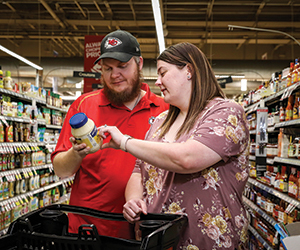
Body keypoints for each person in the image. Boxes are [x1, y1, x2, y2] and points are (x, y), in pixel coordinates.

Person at [99, 42, 250, 249]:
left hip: (208, 241)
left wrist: (125, 141)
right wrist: (133, 200)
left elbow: (188, 158)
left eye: (163, 73)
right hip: (157, 239)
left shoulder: (224, 112)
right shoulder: (161, 122)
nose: (158, 81)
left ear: (188, 70)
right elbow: (138, 171)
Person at [51, 29, 169, 239]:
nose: (115, 75)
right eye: (108, 68)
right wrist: (77, 153)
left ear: (139, 64)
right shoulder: (84, 105)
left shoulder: (163, 110)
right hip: (87, 227)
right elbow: (61, 170)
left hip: (144, 228)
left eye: (123, 66)